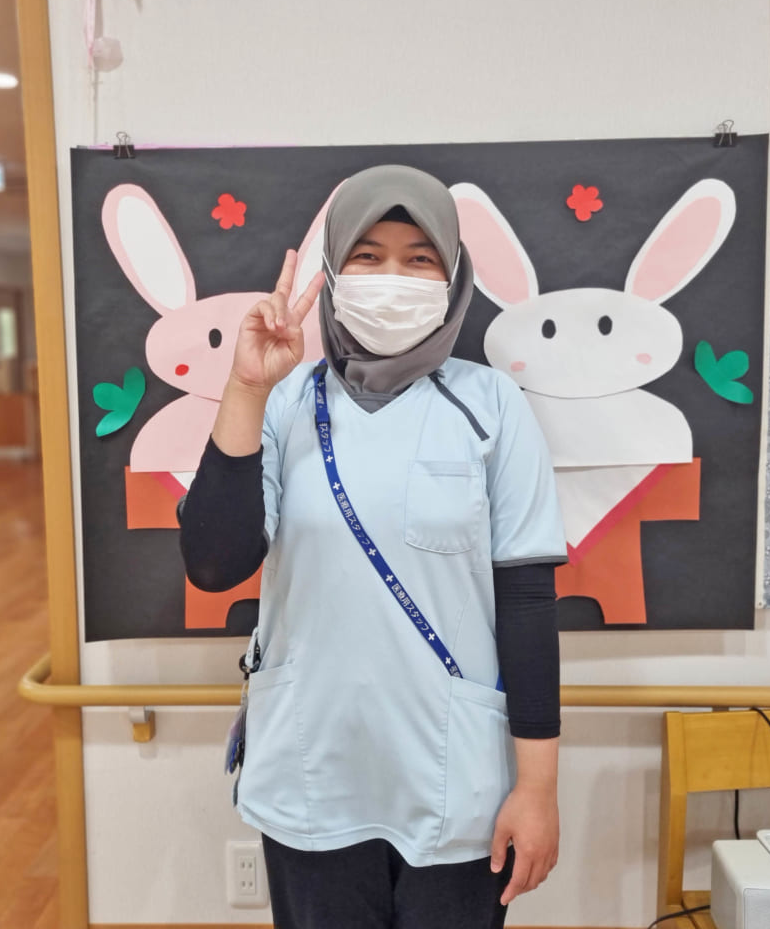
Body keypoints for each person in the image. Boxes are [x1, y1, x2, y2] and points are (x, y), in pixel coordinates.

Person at [179, 165, 567, 928]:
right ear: (332, 271)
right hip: (310, 772)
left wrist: (538, 788)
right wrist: (247, 388)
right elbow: (214, 564)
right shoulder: (284, 402)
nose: (392, 277)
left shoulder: (491, 405)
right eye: (368, 255)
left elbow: (527, 605)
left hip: (455, 781)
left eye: (419, 259)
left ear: (452, 277)